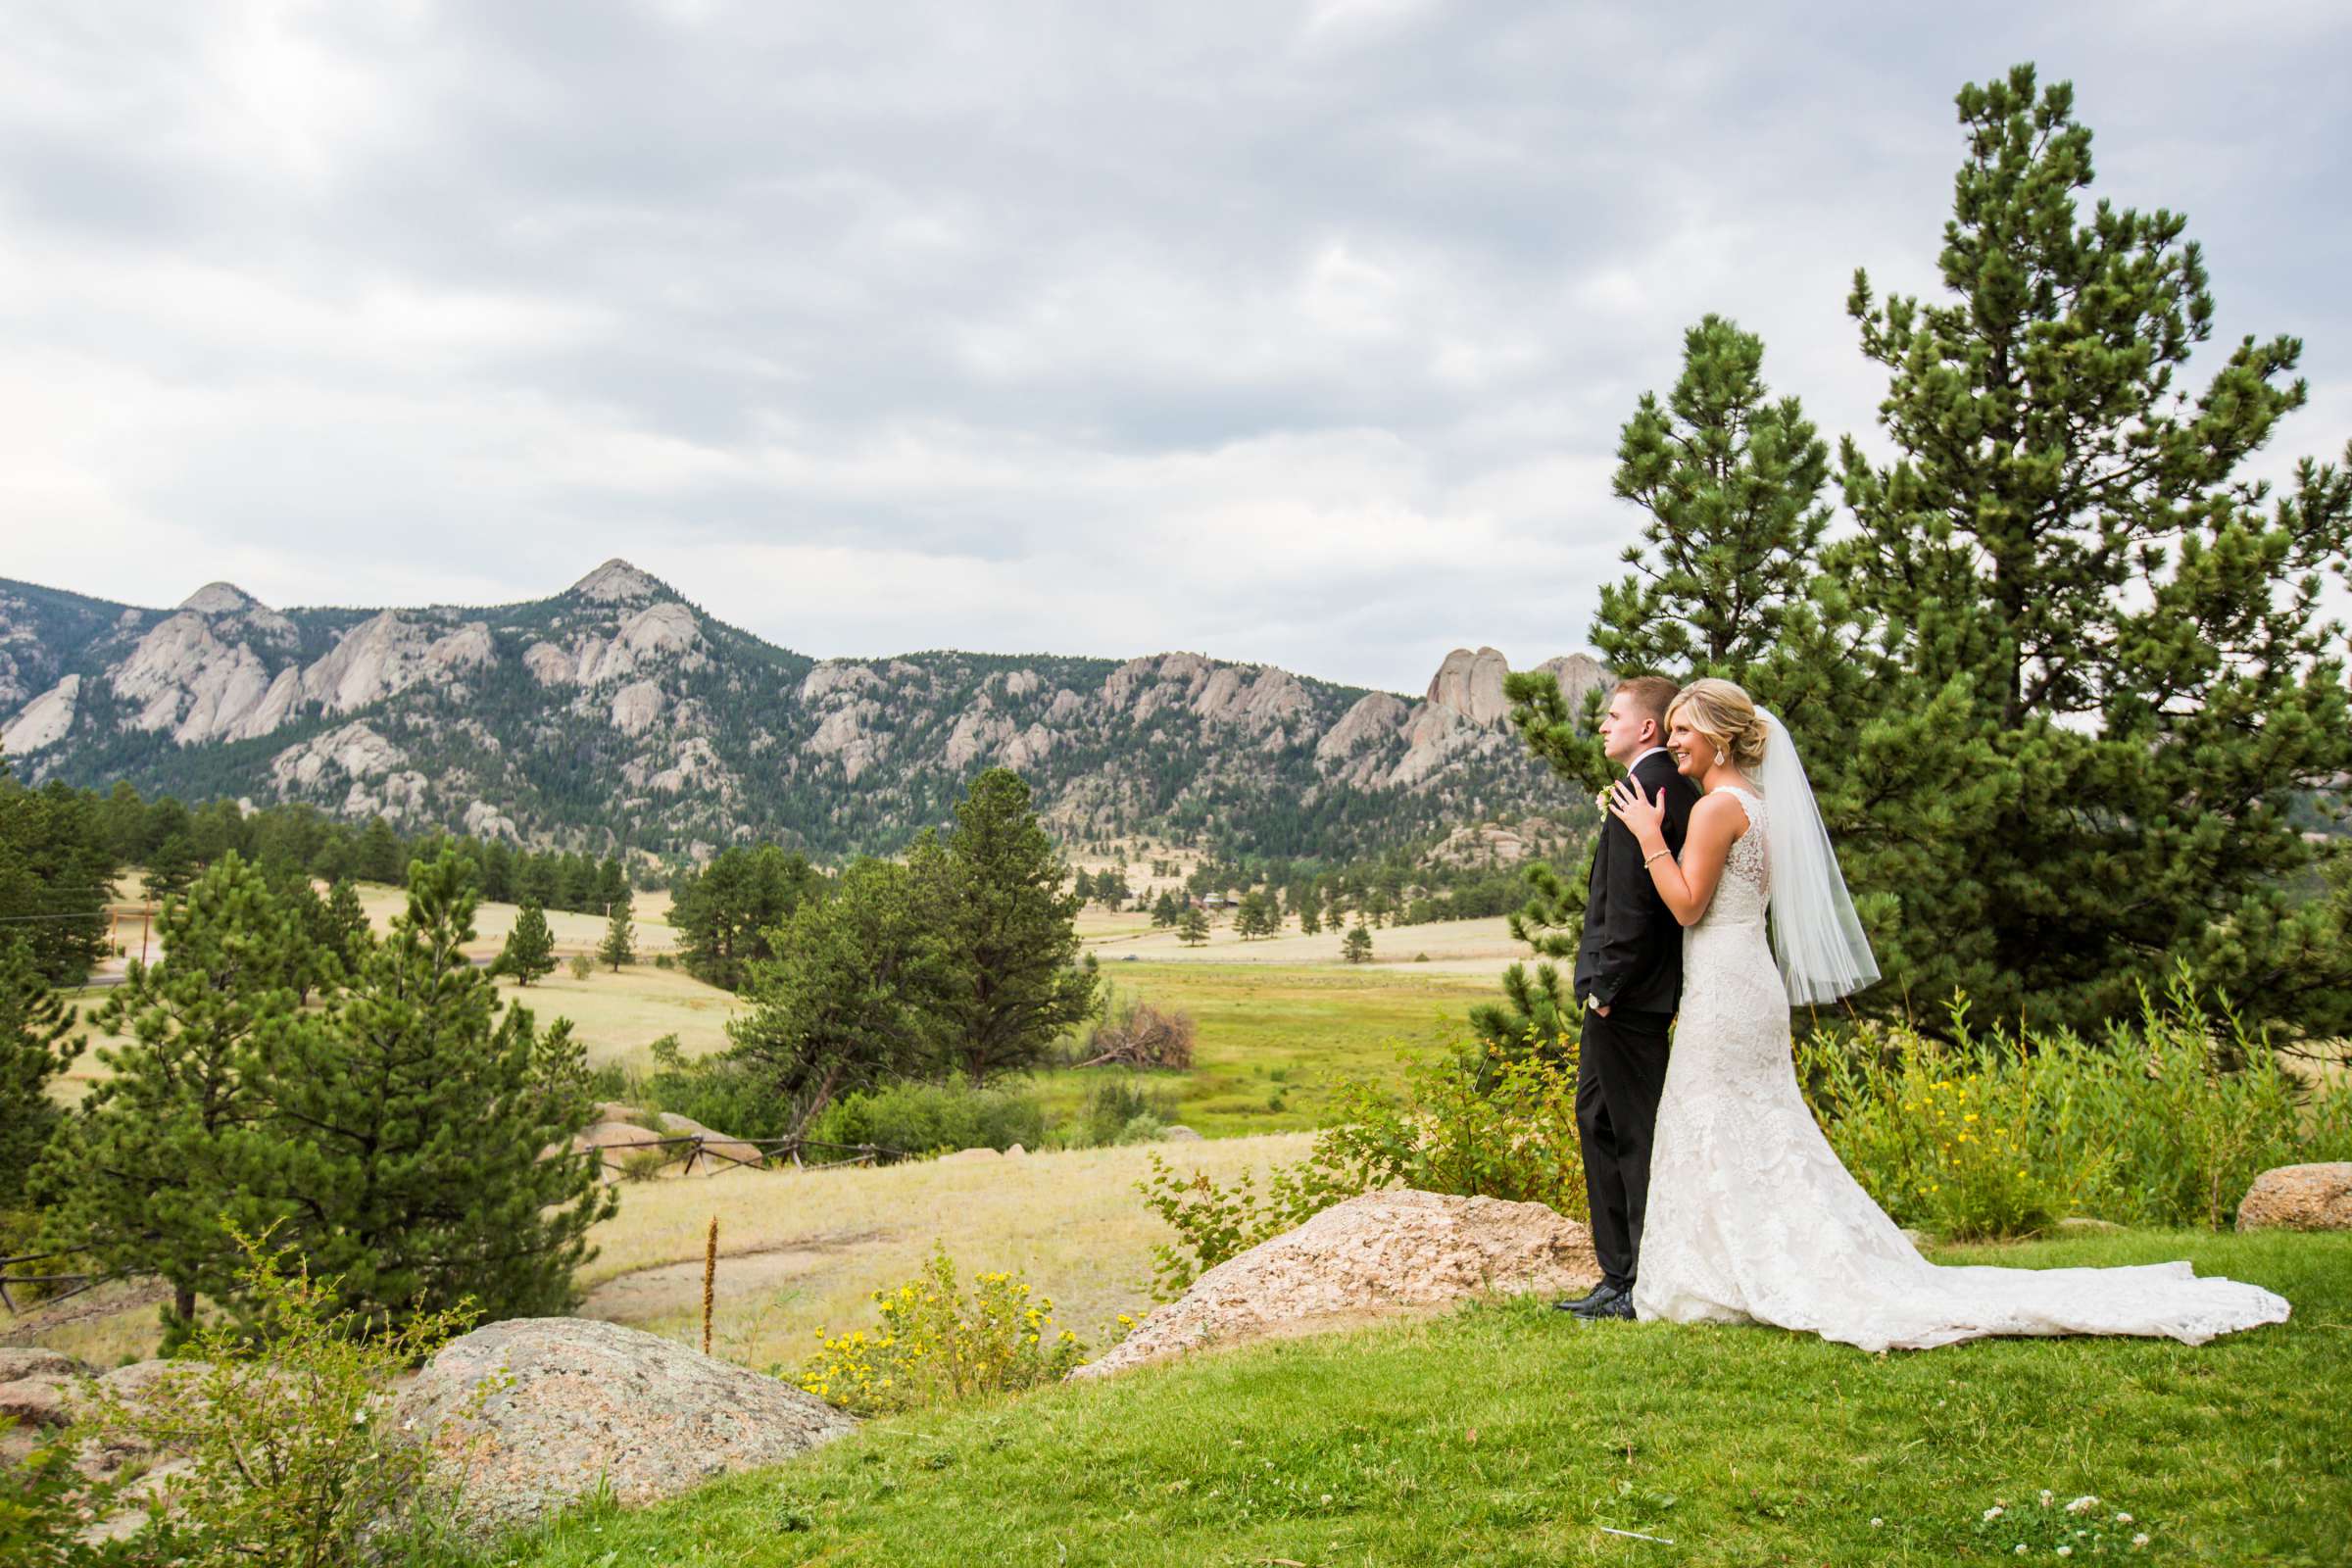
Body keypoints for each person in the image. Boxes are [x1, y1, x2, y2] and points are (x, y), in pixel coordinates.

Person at [1602, 677, 2288, 1350]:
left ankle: (1723, 1269)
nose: (1677, 740)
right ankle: (1741, 1261)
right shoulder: (1759, 803)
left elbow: (1688, 903)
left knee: (1716, 1118)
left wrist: (1648, 834)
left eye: (1687, 729)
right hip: (1749, 982)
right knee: (1752, 1123)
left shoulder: (1719, 808)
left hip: (1724, 986)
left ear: (1721, 738)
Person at [1555, 676, 1700, 1321]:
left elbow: (1637, 907)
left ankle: (1639, 1280)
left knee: (1632, 1135)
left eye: (1614, 716)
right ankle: (1617, 1273)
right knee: (1599, 1121)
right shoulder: (1652, 783)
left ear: (1647, 727)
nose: (1603, 725)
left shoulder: (1651, 787)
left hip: (1628, 997)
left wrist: (1607, 988)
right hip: (1621, 994)